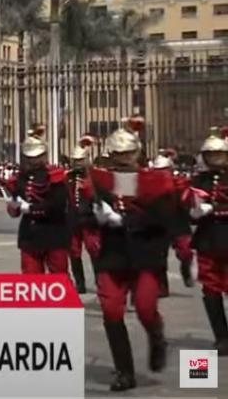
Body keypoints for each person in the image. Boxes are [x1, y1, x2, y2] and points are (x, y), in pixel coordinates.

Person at [89, 117, 172, 391]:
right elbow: (83, 214)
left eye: (128, 153)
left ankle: (156, 336)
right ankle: (125, 371)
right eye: (118, 154)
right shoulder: (100, 180)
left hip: (145, 253)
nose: (123, 159)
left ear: (137, 152)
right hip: (113, 254)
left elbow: (162, 218)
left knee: (146, 308)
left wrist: (123, 221)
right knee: (112, 310)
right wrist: (96, 217)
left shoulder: (155, 181)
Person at [6, 127, 70, 276]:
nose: (32, 161)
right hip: (30, 236)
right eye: (29, 157)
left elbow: (58, 205)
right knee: (31, 278)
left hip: (54, 233)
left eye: (36, 157)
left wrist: (31, 208)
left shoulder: (54, 176)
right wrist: (14, 207)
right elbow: (17, 199)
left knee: (59, 278)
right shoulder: (21, 177)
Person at [189, 127, 228, 354]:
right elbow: (188, 206)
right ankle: (221, 336)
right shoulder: (199, 179)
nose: (215, 159)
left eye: (219, 154)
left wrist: (214, 208)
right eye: (210, 155)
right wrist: (193, 211)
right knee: (211, 290)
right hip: (208, 240)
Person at [151, 149, 194, 292]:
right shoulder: (150, 185)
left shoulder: (179, 182)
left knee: (186, 250)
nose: (161, 173)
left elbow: (187, 196)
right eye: (158, 170)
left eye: (164, 170)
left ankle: (186, 270)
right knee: (159, 256)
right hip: (159, 223)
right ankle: (162, 286)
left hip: (178, 221)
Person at [66, 136, 98, 294]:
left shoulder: (95, 177)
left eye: (80, 161)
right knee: (74, 252)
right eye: (75, 161)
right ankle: (80, 282)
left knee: (94, 250)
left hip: (90, 219)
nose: (77, 164)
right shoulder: (68, 178)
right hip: (73, 220)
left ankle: (100, 280)